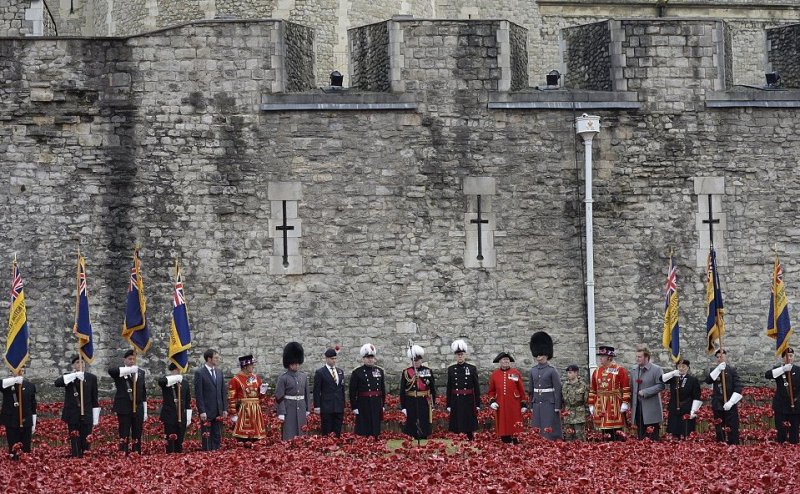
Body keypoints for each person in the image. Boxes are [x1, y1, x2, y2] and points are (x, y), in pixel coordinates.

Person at [54, 355, 99, 457]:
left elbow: (94, 398)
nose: (80, 364)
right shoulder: (68, 377)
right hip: (72, 414)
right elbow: (57, 383)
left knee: (86, 440)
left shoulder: (91, 378)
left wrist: (95, 417)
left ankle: (85, 458)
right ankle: (75, 458)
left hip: (86, 413)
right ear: (73, 365)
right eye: (78, 362)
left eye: (82, 362)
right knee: (74, 439)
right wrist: (73, 376)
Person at [108, 350, 147, 454]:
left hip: (138, 406)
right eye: (129, 359)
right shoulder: (120, 372)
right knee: (124, 432)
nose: (132, 361)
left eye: (134, 359)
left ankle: (136, 452)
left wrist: (145, 410)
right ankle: (123, 452)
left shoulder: (141, 372)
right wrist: (129, 371)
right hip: (124, 407)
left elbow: (143, 392)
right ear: (124, 360)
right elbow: (111, 371)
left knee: (137, 431)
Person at [588, 345, 630, 441]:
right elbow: (592, 389)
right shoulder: (597, 371)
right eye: (600, 356)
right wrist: (591, 404)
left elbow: (626, 387)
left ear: (609, 357)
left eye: (602, 356)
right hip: (600, 404)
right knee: (604, 430)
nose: (600, 359)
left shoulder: (620, 370)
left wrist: (625, 402)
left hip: (614, 403)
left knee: (616, 429)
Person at [704, 349, 743, 445]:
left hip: (730, 403)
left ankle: (733, 446)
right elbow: (708, 380)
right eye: (717, 357)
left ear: (726, 357)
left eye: (721, 356)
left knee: (732, 428)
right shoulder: (714, 370)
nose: (719, 358)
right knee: (719, 428)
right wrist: (718, 369)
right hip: (717, 404)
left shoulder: (732, 370)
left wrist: (731, 402)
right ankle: (720, 446)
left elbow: (738, 387)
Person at [487, 351, 526, 444]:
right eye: (504, 360)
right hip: (501, 403)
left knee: (514, 422)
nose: (506, 361)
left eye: (507, 360)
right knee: (503, 422)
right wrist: (492, 401)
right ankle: (505, 440)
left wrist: (523, 403)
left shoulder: (515, 373)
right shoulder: (495, 374)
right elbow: (491, 391)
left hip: (514, 404)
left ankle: (516, 440)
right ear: (500, 361)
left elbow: (521, 389)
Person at [529, 332, 562, 440]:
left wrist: (557, 406)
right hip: (537, 403)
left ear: (546, 354)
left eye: (541, 354)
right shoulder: (533, 370)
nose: (538, 356)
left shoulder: (552, 371)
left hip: (549, 403)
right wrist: (531, 405)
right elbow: (531, 390)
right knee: (537, 426)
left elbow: (557, 389)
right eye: (537, 354)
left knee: (548, 427)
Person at [349, 343, 386, 438]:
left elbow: (382, 389)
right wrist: (354, 406)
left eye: (371, 357)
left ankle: (376, 441)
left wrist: (383, 404)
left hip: (376, 402)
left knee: (375, 425)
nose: (370, 359)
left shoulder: (379, 371)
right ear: (363, 359)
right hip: (363, 403)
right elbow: (352, 391)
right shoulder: (357, 372)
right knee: (364, 427)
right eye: (367, 357)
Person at [228, 354, 268, 441]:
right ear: (245, 367)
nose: (253, 367)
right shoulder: (235, 380)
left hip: (256, 410)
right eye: (251, 365)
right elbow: (231, 398)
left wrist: (263, 391)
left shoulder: (256, 378)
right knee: (244, 437)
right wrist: (234, 414)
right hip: (244, 411)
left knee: (257, 437)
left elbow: (260, 396)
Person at [400, 344, 436, 440]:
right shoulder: (406, 372)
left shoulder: (427, 371)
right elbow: (402, 391)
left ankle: (423, 437)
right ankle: (413, 438)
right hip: (411, 400)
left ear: (421, 360)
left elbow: (432, 389)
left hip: (424, 400)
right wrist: (403, 407)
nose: (416, 362)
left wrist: (433, 404)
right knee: (412, 421)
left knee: (424, 421)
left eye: (417, 360)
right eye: (414, 360)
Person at [446, 339, 480, 440]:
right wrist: (448, 404)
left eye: (461, 354)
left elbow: (476, 388)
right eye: (458, 355)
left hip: (468, 400)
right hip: (456, 400)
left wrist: (477, 404)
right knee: (457, 423)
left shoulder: (472, 368)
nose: (460, 356)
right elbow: (449, 388)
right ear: (455, 356)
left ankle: (470, 438)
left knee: (468, 422)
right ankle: (458, 440)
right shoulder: (451, 369)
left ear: (465, 355)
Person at [194, 348, 227, 451]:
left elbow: (223, 391)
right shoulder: (200, 373)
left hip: (218, 410)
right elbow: (199, 393)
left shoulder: (219, 372)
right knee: (207, 436)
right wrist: (202, 410)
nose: (218, 360)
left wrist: (225, 408)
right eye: (216, 358)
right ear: (209, 359)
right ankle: (207, 456)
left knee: (217, 435)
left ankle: (216, 454)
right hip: (207, 411)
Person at [765, 347, 800, 444]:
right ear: (783, 358)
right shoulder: (778, 369)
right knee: (781, 433)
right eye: (787, 356)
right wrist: (783, 369)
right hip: (781, 406)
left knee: (794, 434)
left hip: (795, 406)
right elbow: (767, 375)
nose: (789, 358)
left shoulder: (798, 370)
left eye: (791, 356)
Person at [629, 345, 665, 440]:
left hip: (651, 409)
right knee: (641, 437)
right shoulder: (633, 370)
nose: (637, 359)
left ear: (646, 357)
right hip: (638, 408)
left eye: (639, 357)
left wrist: (645, 392)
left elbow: (661, 385)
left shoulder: (657, 369)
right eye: (636, 356)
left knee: (652, 437)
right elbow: (631, 388)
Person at [275, 343, 310, 440]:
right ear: (289, 364)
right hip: (289, 408)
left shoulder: (303, 376)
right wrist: (281, 412)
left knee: (302, 432)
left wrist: (307, 409)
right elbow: (279, 396)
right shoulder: (283, 378)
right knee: (289, 432)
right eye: (294, 364)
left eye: (298, 363)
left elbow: (306, 394)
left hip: (301, 407)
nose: (297, 366)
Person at [1, 366, 36, 460]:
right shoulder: (7, 385)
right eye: (17, 371)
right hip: (11, 421)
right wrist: (14, 380)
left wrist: (34, 423)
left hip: (26, 420)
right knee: (13, 449)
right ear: (11, 372)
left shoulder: (30, 386)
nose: (20, 372)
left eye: (22, 371)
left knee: (26, 449)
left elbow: (33, 405)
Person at [662, 358, 702, 439]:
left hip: (687, 408)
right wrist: (673, 373)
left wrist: (693, 411)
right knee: (674, 433)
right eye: (679, 366)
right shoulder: (673, 378)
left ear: (688, 368)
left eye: (683, 366)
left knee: (686, 432)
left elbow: (696, 396)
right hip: (674, 408)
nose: (681, 368)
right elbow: (661, 379)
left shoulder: (693, 380)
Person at [158, 362, 192, 453]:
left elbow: (188, 400)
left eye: (180, 369)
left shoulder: (184, 382)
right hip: (169, 416)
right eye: (177, 369)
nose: (179, 371)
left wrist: (188, 417)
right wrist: (175, 378)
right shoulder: (167, 380)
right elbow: (161, 382)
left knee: (179, 442)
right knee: (170, 442)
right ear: (172, 370)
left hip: (182, 416)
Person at [313, 347, 345, 437]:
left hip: (338, 406)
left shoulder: (340, 372)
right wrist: (317, 406)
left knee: (337, 430)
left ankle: (337, 446)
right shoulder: (320, 372)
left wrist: (343, 404)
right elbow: (316, 390)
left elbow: (342, 389)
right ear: (326, 359)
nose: (334, 361)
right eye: (332, 359)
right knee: (327, 430)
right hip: (326, 406)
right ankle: (327, 447)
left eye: (335, 358)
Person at [561, 364, 588, 441]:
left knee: (580, 436)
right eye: (568, 373)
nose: (568, 374)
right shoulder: (565, 385)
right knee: (568, 436)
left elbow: (586, 400)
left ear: (576, 373)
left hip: (579, 413)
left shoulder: (582, 385)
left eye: (570, 372)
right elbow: (562, 400)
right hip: (568, 413)